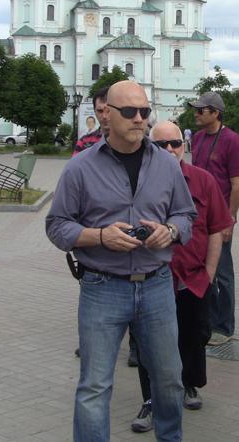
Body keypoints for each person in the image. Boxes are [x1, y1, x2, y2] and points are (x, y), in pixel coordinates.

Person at [46, 80, 197, 442]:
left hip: (157, 285)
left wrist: (170, 232)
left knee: (169, 380)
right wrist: (99, 236)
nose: (139, 119)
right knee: (95, 386)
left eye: (145, 111)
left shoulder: (167, 164)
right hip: (102, 287)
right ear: (107, 116)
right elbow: (57, 225)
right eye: (129, 112)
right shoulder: (80, 168)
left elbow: (186, 216)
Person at [130, 121, 232, 433]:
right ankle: (151, 400)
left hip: (193, 278)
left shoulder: (203, 181)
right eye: (161, 145)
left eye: (175, 144)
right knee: (149, 344)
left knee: (193, 336)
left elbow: (217, 228)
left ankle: (189, 384)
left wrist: (211, 272)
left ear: (183, 146)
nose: (169, 150)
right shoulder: (139, 183)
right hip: (151, 280)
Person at [72, 85, 138, 367]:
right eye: (98, 111)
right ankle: (92, 341)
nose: (102, 116)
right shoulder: (86, 144)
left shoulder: (139, 147)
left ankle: (137, 344)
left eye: (105, 110)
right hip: (97, 250)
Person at [188, 91, 239, 345]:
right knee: (205, 271)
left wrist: (231, 220)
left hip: (221, 219)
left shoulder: (231, 140)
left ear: (216, 113)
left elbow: (236, 185)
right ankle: (207, 322)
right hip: (199, 219)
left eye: (201, 110)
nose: (196, 113)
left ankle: (224, 327)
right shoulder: (200, 138)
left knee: (223, 273)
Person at [72, 86, 110, 155]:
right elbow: (75, 165)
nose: (104, 116)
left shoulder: (128, 140)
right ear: (94, 111)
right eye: (100, 111)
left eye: (109, 111)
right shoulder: (84, 141)